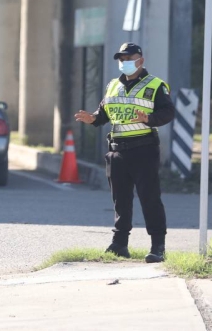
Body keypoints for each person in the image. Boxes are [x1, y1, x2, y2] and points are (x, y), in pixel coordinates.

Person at [75, 42, 174, 263]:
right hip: (117, 151)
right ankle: (120, 244)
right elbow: (105, 112)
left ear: (141, 60)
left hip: (144, 149)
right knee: (121, 200)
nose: (125, 62)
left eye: (129, 58)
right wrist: (93, 119)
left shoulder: (155, 85)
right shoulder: (113, 86)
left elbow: (168, 112)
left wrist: (149, 119)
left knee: (150, 199)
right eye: (122, 59)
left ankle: (158, 246)